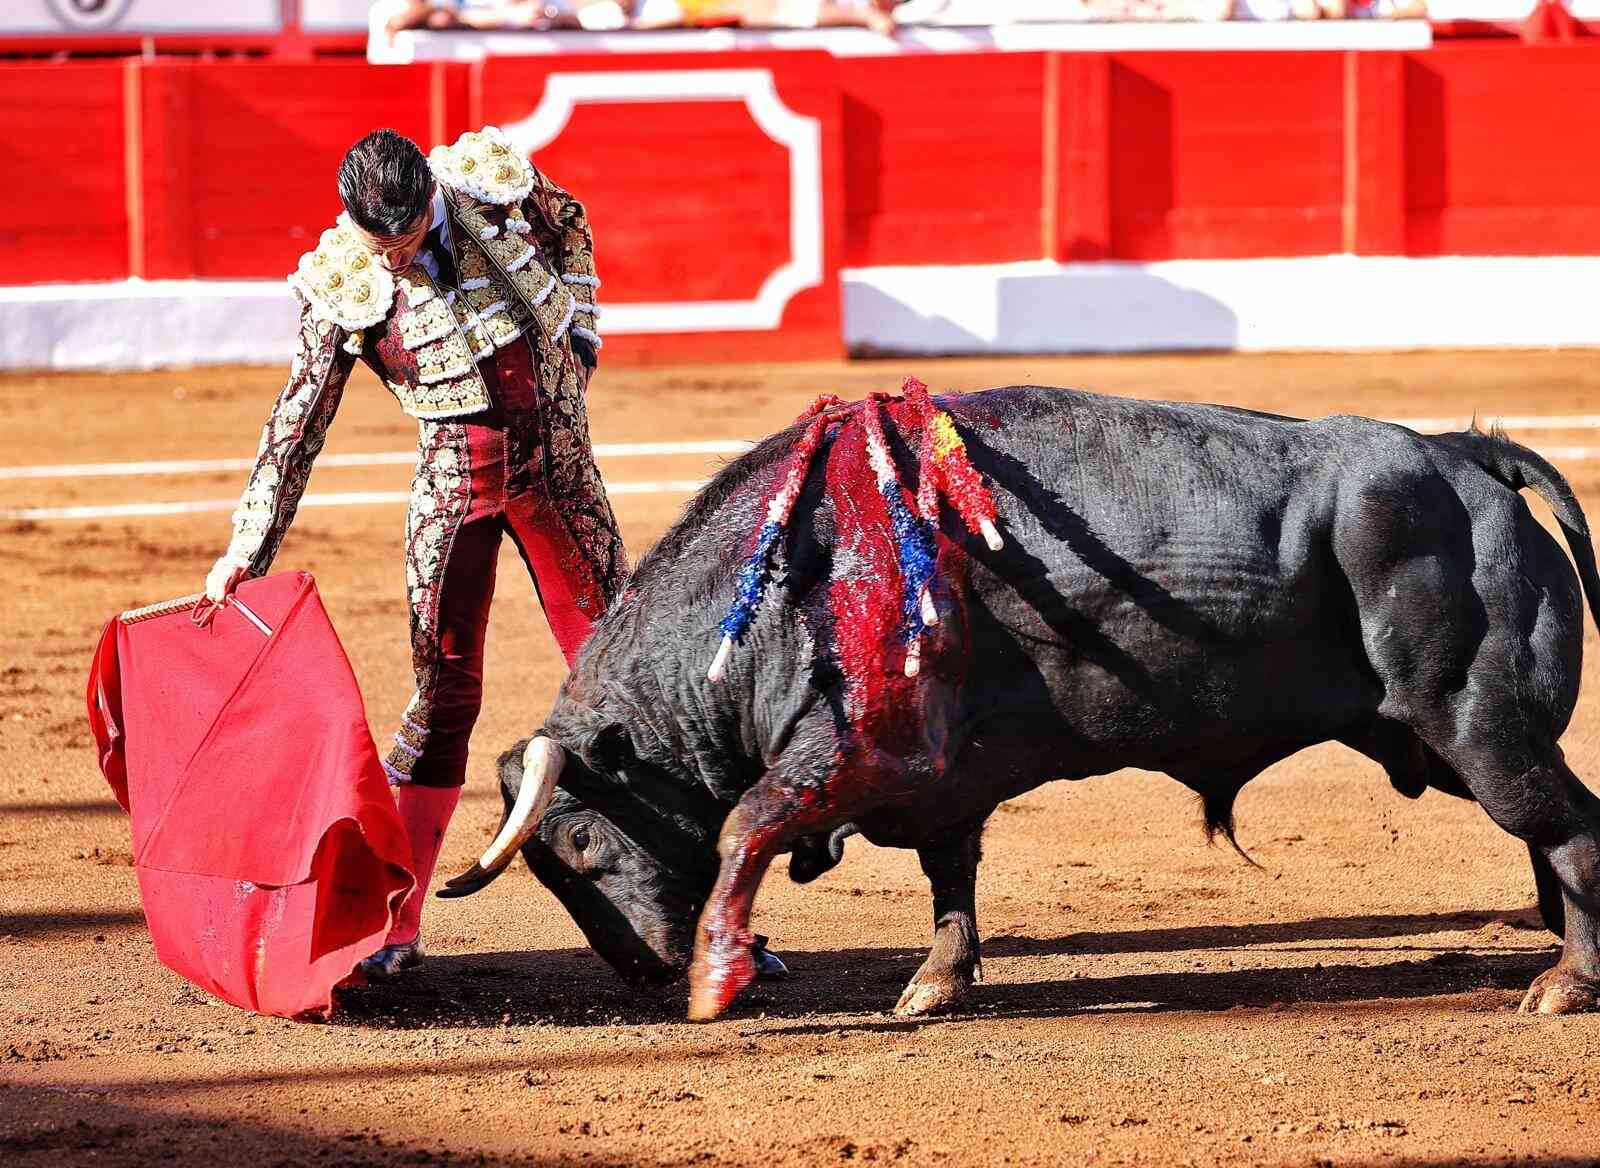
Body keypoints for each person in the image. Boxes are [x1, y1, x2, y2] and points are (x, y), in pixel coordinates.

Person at [203, 127, 627, 979]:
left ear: (431, 195)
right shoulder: (342, 280)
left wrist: (581, 330)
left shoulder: (490, 186)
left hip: (561, 471)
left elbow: (571, 223)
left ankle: (696, 918)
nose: (396, 259)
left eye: (407, 238)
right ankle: (395, 926)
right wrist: (248, 543)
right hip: (455, 482)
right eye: (380, 245)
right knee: (443, 693)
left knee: (633, 679)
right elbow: (298, 421)